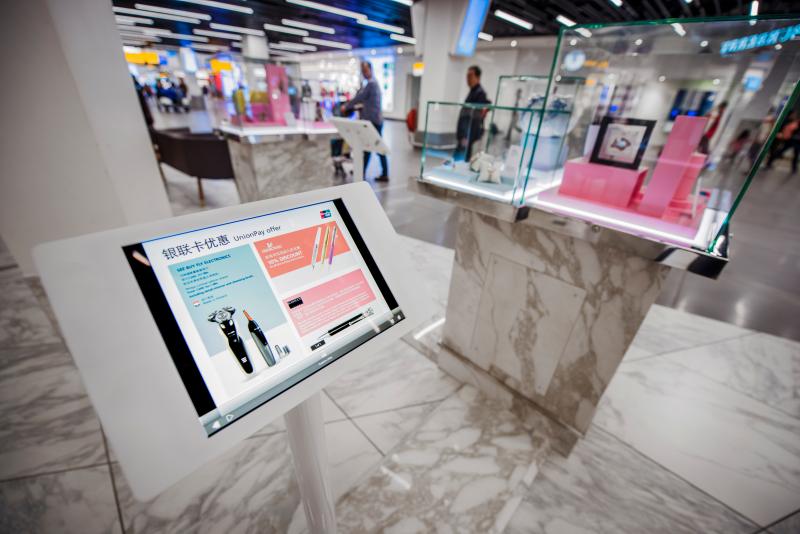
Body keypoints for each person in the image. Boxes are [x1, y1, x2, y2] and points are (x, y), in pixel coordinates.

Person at [341, 61, 388, 181]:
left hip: (374, 122)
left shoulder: (372, 84)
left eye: (366, 71)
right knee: (368, 148)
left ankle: (383, 173)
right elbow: (367, 101)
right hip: (373, 120)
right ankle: (361, 172)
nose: (364, 73)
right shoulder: (371, 83)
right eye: (363, 71)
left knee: (377, 148)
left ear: (371, 70)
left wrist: (346, 106)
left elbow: (359, 97)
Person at [455, 65, 491, 160]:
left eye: (470, 76)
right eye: (467, 76)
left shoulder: (480, 93)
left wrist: (465, 137)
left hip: (468, 135)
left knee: (464, 158)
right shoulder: (473, 91)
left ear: (478, 77)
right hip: (465, 134)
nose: (468, 79)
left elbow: (475, 117)